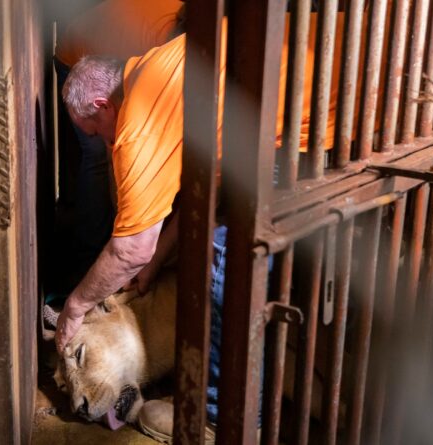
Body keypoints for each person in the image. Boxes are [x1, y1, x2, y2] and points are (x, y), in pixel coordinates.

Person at [56, 9, 353, 441]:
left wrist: (76, 307)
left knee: (223, 261)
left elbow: (129, 248)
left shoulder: (138, 115)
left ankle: (218, 416)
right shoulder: (160, 66)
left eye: (97, 129)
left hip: (322, 128)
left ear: (103, 103)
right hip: (350, 96)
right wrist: (159, 255)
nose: (105, 141)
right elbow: (210, 190)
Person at [46, 0, 184, 302]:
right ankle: (88, 261)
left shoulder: (168, 61)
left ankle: (113, 250)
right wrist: (122, 244)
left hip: (117, 65)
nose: (109, 141)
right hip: (78, 57)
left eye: (97, 129)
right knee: (99, 157)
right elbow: (119, 157)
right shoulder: (174, 48)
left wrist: (143, 248)